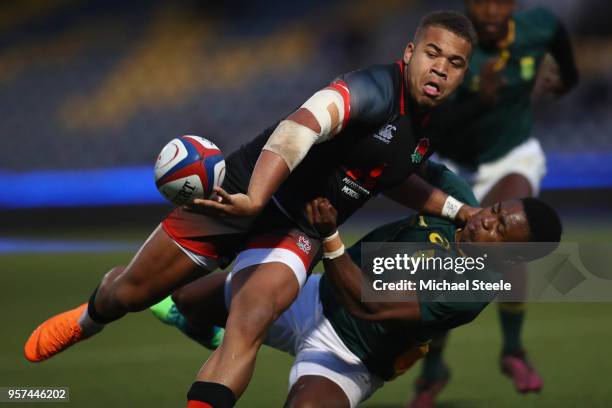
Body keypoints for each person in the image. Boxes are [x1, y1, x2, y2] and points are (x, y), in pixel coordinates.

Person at [24, 11, 478, 408]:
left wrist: (459, 210)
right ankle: (90, 319)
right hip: (241, 189)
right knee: (128, 294)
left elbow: (392, 178)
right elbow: (301, 124)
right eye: (432, 54)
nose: (439, 68)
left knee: (250, 321)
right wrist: (257, 196)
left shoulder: (434, 123)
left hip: (299, 226)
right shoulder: (376, 87)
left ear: (462, 73)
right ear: (409, 52)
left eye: (454, 62)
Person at [152, 161, 563, 408]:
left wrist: (330, 237)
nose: (486, 219)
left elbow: (370, 306)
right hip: (315, 295)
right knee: (187, 299)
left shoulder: (471, 290)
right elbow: (402, 164)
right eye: (494, 210)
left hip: (352, 356)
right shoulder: (455, 199)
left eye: (500, 228)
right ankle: (202, 327)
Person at [409, 1, 579, 404]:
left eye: (499, 2)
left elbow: (555, 30)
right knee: (450, 261)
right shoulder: (454, 50)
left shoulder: (536, 27)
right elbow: (435, 121)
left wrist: (568, 78)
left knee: (508, 239)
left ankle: (513, 350)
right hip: (454, 166)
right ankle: (433, 369)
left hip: (511, 156)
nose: (488, 11)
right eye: (480, 3)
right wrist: (478, 100)